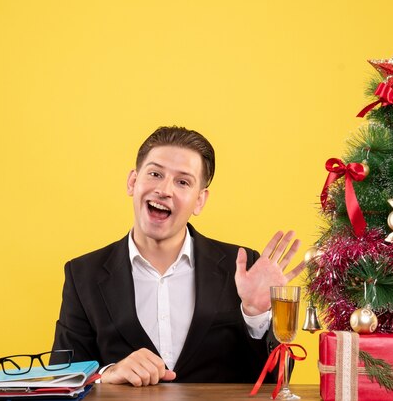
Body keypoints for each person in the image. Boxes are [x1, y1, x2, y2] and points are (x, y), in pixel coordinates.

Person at [51, 126, 304, 386]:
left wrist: (255, 316)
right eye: (155, 174)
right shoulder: (83, 274)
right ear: (132, 182)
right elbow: (62, 378)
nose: (164, 190)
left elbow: (277, 380)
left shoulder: (242, 268)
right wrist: (107, 374)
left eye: (183, 182)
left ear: (199, 201)